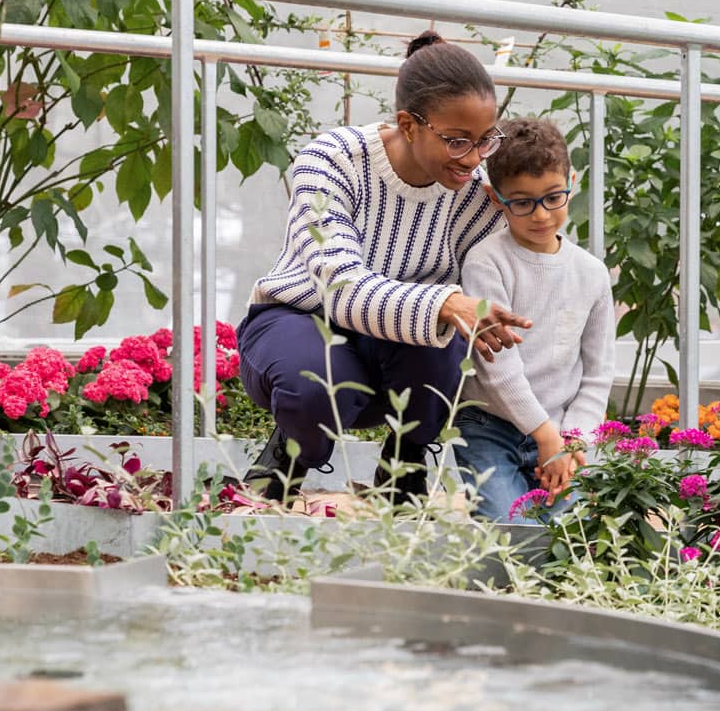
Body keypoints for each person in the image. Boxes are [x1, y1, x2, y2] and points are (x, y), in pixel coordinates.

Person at [237, 31, 532, 503]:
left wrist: (527, 206)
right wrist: (448, 301)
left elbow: (530, 265)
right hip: (300, 319)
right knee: (317, 383)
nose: (474, 158)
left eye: (484, 140)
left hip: (403, 349)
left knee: (445, 352)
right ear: (408, 125)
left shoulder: (478, 192)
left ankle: (405, 463)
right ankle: (289, 457)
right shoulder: (331, 160)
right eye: (458, 141)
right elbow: (342, 290)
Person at [455, 117, 615, 522]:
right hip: (489, 426)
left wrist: (572, 443)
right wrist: (546, 437)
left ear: (571, 182)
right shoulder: (487, 262)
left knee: (572, 534)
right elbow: (497, 368)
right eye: (523, 202)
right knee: (511, 534)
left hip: (562, 432)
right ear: (496, 198)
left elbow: (597, 375)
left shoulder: (591, 273)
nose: (541, 215)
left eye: (552, 197)